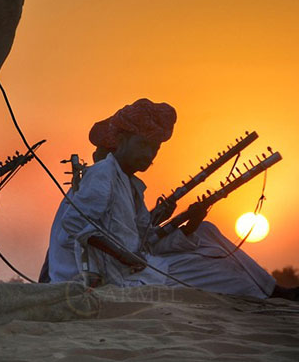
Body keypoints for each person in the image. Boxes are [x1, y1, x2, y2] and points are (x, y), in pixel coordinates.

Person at [46, 98, 297, 300]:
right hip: (113, 277)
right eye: (143, 144)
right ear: (121, 142)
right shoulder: (103, 174)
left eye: (155, 148)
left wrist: (191, 225)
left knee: (207, 232)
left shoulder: (131, 185)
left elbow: (147, 242)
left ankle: (272, 290)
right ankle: (270, 297)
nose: (149, 153)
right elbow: (74, 227)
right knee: (221, 270)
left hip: (134, 267)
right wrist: (124, 256)